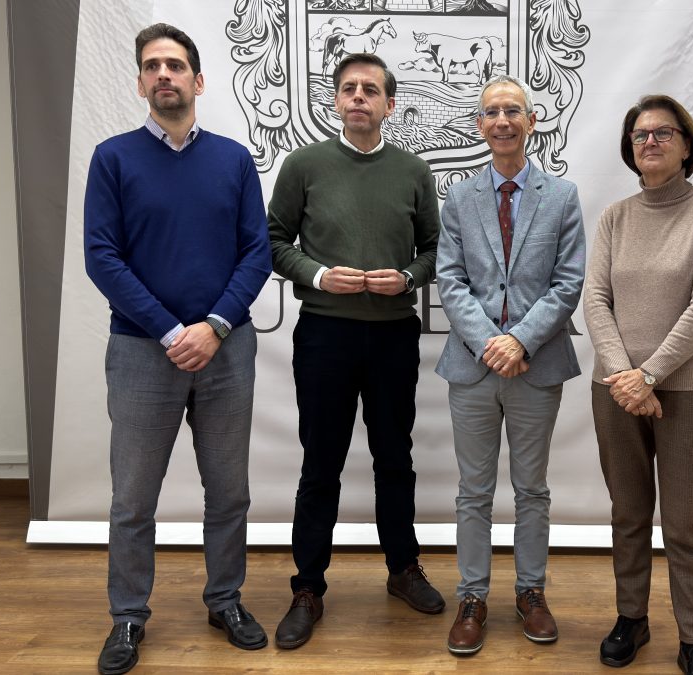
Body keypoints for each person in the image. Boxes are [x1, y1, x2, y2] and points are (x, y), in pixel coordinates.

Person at [84, 23, 273, 675]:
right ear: (140, 83)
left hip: (226, 349)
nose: (163, 74)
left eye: (175, 64)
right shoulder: (112, 158)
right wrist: (172, 330)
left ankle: (226, 599)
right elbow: (102, 256)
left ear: (198, 80)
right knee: (133, 498)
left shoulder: (234, 160)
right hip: (143, 353)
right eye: (151, 66)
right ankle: (129, 615)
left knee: (228, 491)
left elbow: (257, 251)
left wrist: (215, 324)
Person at [266, 52, 444, 650]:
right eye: (349, 89)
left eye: (371, 90)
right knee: (322, 462)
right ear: (335, 102)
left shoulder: (414, 171)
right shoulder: (303, 165)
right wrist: (317, 276)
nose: (359, 97)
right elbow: (272, 241)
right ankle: (308, 587)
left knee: (395, 457)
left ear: (390, 104)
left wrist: (410, 279)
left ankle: (402, 569)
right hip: (324, 334)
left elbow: (433, 249)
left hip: (393, 333)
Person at [435, 74, 586, 655]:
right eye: (492, 112)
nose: (502, 120)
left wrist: (518, 341)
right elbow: (449, 280)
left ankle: (531, 592)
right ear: (479, 125)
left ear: (531, 121)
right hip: (473, 369)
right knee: (473, 492)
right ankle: (471, 597)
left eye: (513, 111)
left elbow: (568, 282)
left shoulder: (562, 196)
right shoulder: (460, 197)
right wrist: (488, 342)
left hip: (536, 366)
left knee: (532, 490)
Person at [583, 95, 693, 675]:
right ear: (630, 148)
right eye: (641, 135)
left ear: (687, 145)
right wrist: (626, 378)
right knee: (629, 511)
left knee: (688, 520)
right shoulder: (615, 217)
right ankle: (632, 618)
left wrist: (648, 375)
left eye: (663, 133)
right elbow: (596, 299)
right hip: (615, 391)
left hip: (689, 392)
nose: (650, 142)